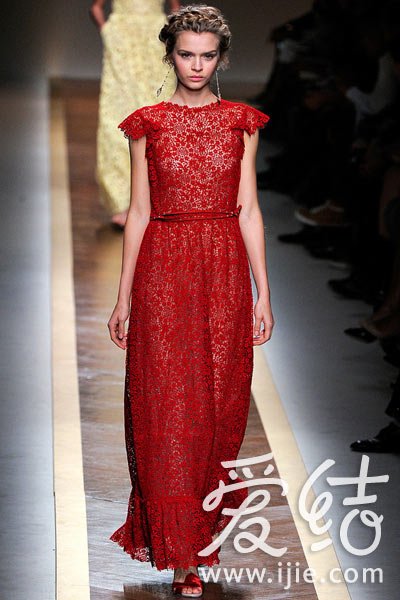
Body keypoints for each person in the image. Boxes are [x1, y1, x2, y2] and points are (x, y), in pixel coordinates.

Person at [107, 5, 273, 596]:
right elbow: (139, 212)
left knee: (218, 410)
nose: (196, 65)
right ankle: (185, 555)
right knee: (167, 410)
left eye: (207, 55)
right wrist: (123, 296)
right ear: (170, 55)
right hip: (163, 270)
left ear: (220, 58)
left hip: (223, 271)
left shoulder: (242, 123)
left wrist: (263, 293)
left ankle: (201, 536)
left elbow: (249, 211)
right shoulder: (147, 125)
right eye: (186, 54)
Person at [89, 0, 180, 229]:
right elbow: (96, 7)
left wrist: (172, 36)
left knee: (158, 115)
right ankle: (121, 201)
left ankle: (154, 200)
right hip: (123, 41)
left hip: (155, 41)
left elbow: (175, 9)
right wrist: (108, 32)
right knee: (117, 114)